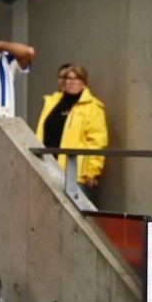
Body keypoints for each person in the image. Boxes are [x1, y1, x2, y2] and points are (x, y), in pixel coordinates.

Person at [34, 63, 107, 201]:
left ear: (84, 83)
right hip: (47, 166)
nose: (70, 82)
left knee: (74, 209)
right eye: (68, 78)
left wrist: (92, 171)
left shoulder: (92, 107)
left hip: (74, 172)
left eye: (75, 79)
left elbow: (97, 141)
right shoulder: (52, 101)